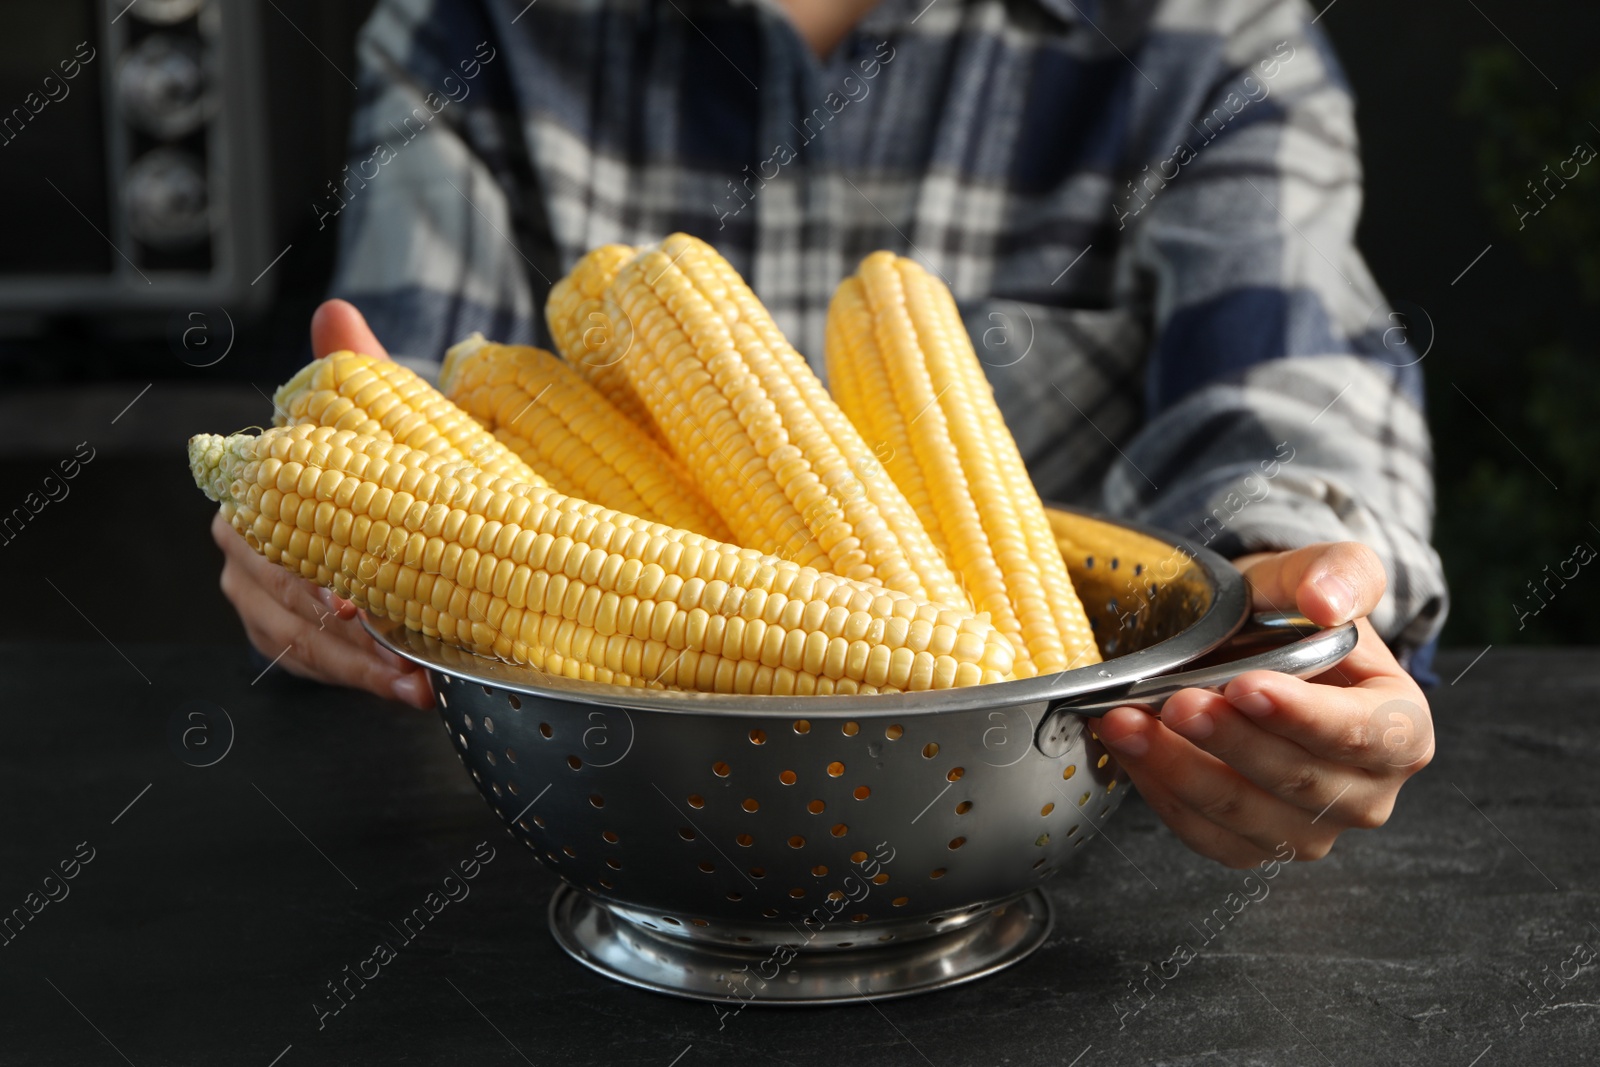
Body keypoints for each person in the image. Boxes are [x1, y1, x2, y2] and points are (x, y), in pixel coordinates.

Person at [215, 0, 1447, 869]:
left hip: (1073, 816)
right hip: (615, 806)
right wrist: (325, 549)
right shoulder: (463, 26)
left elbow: (1287, 394)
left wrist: (1291, 622)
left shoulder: (1205, 31)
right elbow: (409, 411)